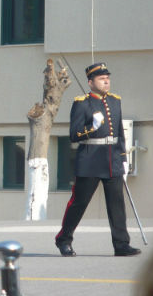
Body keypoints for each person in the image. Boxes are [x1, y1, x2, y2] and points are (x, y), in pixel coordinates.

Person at [55, 62, 140, 257]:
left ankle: (121, 244)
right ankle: (63, 239)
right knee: (79, 203)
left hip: (112, 160)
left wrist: (123, 159)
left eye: (107, 78)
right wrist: (92, 126)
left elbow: (118, 132)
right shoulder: (81, 103)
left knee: (116, 204)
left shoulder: (115, 101)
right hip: (90, 160)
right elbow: (74, 135)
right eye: (101, 79)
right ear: (90, 82)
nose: (106, 81)